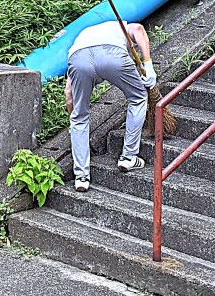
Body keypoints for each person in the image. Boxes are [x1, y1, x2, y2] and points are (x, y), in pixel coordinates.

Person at [64, 19, 156, 193]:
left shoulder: (83, 37)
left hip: (78, 60)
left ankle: (81, 177)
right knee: (138, 97)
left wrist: (74, 122)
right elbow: (138, 28)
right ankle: (128, 157)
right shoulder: (121, 26)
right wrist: (148, 65)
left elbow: (69, 95)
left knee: (79, 117)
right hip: (111, 54)